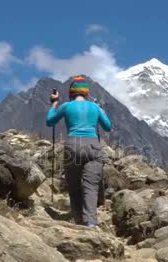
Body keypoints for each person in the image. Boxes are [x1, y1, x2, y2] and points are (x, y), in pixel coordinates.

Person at [46, 76, 112, 228]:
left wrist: (54, 104)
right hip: (93, 146)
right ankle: (91, 223)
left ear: (71, 93)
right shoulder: (95, 107)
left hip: (72, 146)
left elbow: (49, 121)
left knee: (74, 187)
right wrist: (99, 110)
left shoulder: (66, 106)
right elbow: (108, 126)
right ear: (87, 93)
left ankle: (78, 222)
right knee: (91, 187)